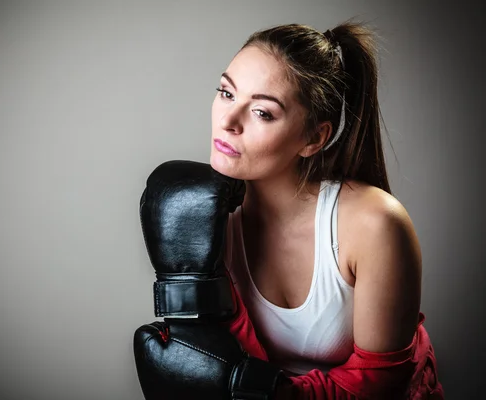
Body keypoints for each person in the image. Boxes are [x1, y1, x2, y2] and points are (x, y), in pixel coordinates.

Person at [133, 20, 444, 399]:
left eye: (262, 112)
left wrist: (270, 393)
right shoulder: (202, 218)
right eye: (226, 93)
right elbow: (214, 355)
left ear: (314, 138)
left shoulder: (373, 225)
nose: (228, 122)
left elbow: (380, 383)